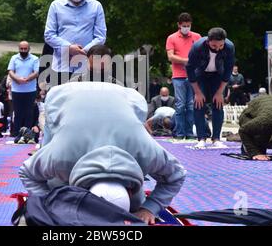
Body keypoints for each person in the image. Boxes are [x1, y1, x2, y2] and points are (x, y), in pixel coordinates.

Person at [20, 82, 186, 224]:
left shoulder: (145, 152)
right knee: (54, 189)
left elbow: (176, 175)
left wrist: (149, 208)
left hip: (125, 98)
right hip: (66, 97)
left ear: (130, 190)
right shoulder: (62, 157)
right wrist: (50, 202)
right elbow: (28, 172)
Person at [44, 0, 107, 85]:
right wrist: (69, 47)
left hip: (87, 66)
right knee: (61, 101)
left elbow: (101, 36)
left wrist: (84, 51)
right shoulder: (56, 5)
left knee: (85, 101)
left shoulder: (96, 6)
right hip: (61, 66)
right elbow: (49, 35)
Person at [186, 27, 235, 149]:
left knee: (218, 104)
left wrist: (220, 92)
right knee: (199, 104)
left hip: (217, 76)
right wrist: (197, 92)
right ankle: (201, 139)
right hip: (200, 75)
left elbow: (228, 70)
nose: (217, 49)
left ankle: (216, 138)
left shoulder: (229, 47)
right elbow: (189, 68)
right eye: (214, 46)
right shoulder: (197, 47)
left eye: (220, 46)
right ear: (208, 41)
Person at [166, 12, 201, 140]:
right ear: (179, 25)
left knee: (191, 105)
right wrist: (186, 61)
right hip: (178, 76)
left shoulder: (197, 37)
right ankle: (180, 133)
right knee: (180, 105)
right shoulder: (172, 38)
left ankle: (190, 133)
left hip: (194, 76)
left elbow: (202, 54)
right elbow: (170, 56)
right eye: (184, 25)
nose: (186, 27)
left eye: (188, 25)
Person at [8, 41, 39, 137]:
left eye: (25, 49)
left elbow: (37, 72)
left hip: (30, 90)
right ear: (19, 49)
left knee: (29, 113)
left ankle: (27, 133)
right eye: (21, 48)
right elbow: (10, 71)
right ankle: (16, 133)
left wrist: (27, 79)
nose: (23, 50)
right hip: (16, 90)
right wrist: (17, 79)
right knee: (17, 113)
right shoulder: (14, 58)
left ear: (29, 49)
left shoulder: (35, 58)